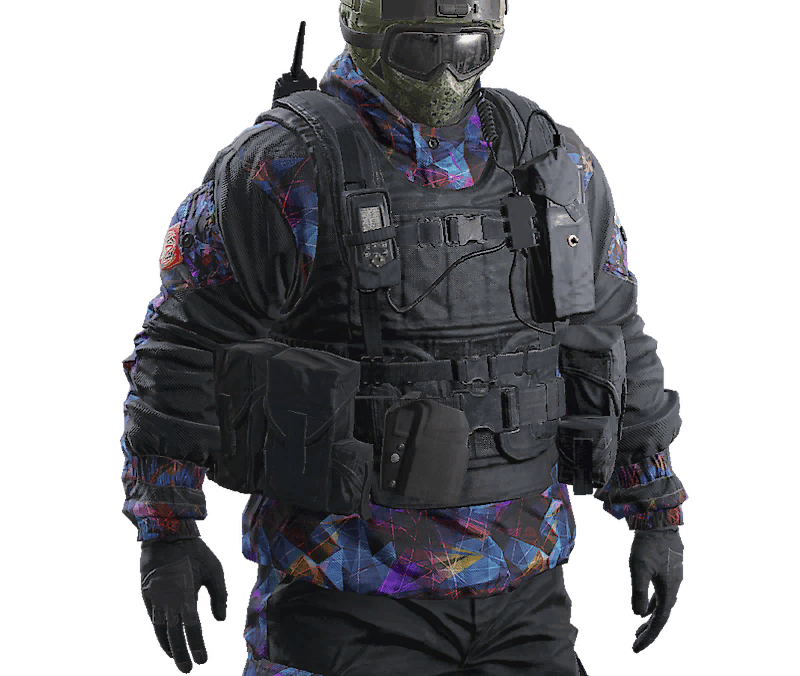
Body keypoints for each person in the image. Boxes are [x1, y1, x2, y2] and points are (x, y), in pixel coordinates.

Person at [120, 2, 689, 675]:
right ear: (365, 31)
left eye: (467, 48)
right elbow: (186, 344)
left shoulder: (553, 161)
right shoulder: (285, 164)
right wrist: (168, 533)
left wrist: (655, 508)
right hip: (344, 596)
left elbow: (614, 329)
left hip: (527, 598)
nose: (445, 74)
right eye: (419, 49)